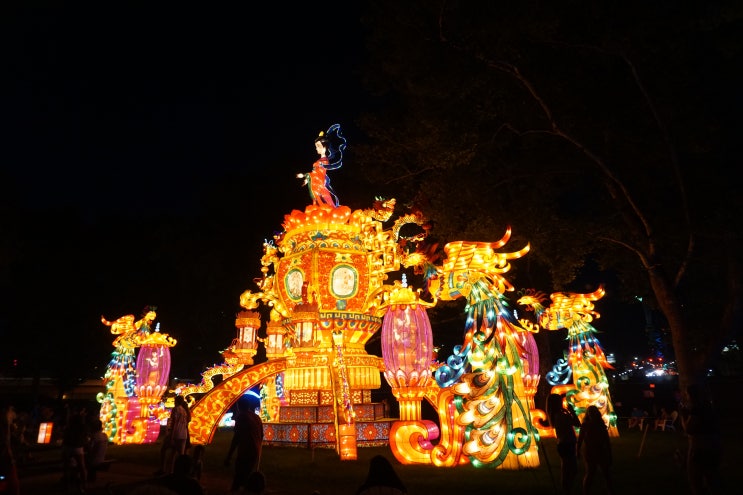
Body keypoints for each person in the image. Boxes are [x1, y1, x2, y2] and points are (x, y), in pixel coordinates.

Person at [680, 383, 721, 495]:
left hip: (699, 447)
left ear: (691, 395)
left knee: (695, 478)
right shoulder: (709, 407)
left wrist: (683, 416)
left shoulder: (697, 409)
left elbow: (688, 429)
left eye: (687, 394)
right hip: (714, 445)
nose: (686, 396)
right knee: (711, 476)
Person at [296, 124, 346, 207]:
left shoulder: (324, 161)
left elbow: (320, 173)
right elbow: (315, 173)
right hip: (316, 185)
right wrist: (307, 178)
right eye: (316, 146)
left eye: (318, 146)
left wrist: (307, 175)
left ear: (325, 148)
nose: (316, 148)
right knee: (319, 206)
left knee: (326, 204)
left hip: (321, 186)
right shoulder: (319, 161)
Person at [224, 395, 264, 494]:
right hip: (255, 449)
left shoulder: (242, 417)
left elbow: (236, 438)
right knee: (246, 473)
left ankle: (236, 490)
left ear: (239, 407)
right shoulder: (256, 417)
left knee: (240, 473)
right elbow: (262, 434)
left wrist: (229, 456)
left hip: (246, 450)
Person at [546, 393, 580, 495]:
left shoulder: (556, 415)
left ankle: (566, 489)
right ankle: (567, 489)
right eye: (560, 401)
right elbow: (577, 423)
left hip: (563, 443)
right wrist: (572, 411)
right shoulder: (561, 415)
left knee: (566, 468)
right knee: (571, 469)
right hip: (567, 444)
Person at [577, 405, 615, 494]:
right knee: (591, 472)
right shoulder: (585, 425)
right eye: (590, 413)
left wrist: (609, 453)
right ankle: (586, 491)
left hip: (600, 450)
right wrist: (577, 450)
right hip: (590, 452)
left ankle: (610, 491)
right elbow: (580, 440)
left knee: (605, 473)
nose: (592, 415)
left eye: (593, 413)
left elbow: (606, 440)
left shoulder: (600, 425)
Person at [157, 395, 191, 476]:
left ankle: (163, 469)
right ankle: (177, 472)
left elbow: (174, 423)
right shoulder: (184, 410)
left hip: (176, 434)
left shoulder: (175, 409)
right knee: (178, 454)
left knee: (164, 449)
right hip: (183, 435)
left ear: (176, 401)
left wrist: (171, 436)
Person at [61, 407, 89, 491]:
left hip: (67, 447)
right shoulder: (82, 427)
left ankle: (67, 484)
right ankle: (84, 484)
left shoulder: (69, 427)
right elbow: (85, 438)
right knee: (82, 467)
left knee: (66, 466)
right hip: (78, 447)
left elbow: (65, 436)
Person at [0, 404, 21, 495]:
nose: (13, 415)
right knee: (12, 485)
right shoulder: (4, 422)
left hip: (6, 458)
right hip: (5, 459)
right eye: (11, 411)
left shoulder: (7, 425)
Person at [85, 418, 109, 482]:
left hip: (93, 460)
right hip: (101, 458)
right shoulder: (105, 436)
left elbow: (89, 449)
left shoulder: (95, 437)